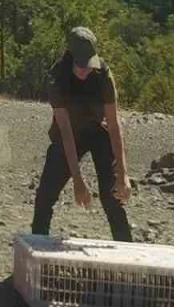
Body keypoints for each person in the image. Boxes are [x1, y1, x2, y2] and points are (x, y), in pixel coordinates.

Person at [31, 26, 133, 241]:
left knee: (112, 196)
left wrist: (123, 173)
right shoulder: (57, 78)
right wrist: (77, 180)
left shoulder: (104, 74)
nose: (85, 70)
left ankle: (127, 251)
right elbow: (66, 133)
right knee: (45, 196)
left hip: (97, 131)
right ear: (70, 57)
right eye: (80, 66)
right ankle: (38, 246)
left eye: (89, 65)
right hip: (68, 135)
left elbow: (114, 125)